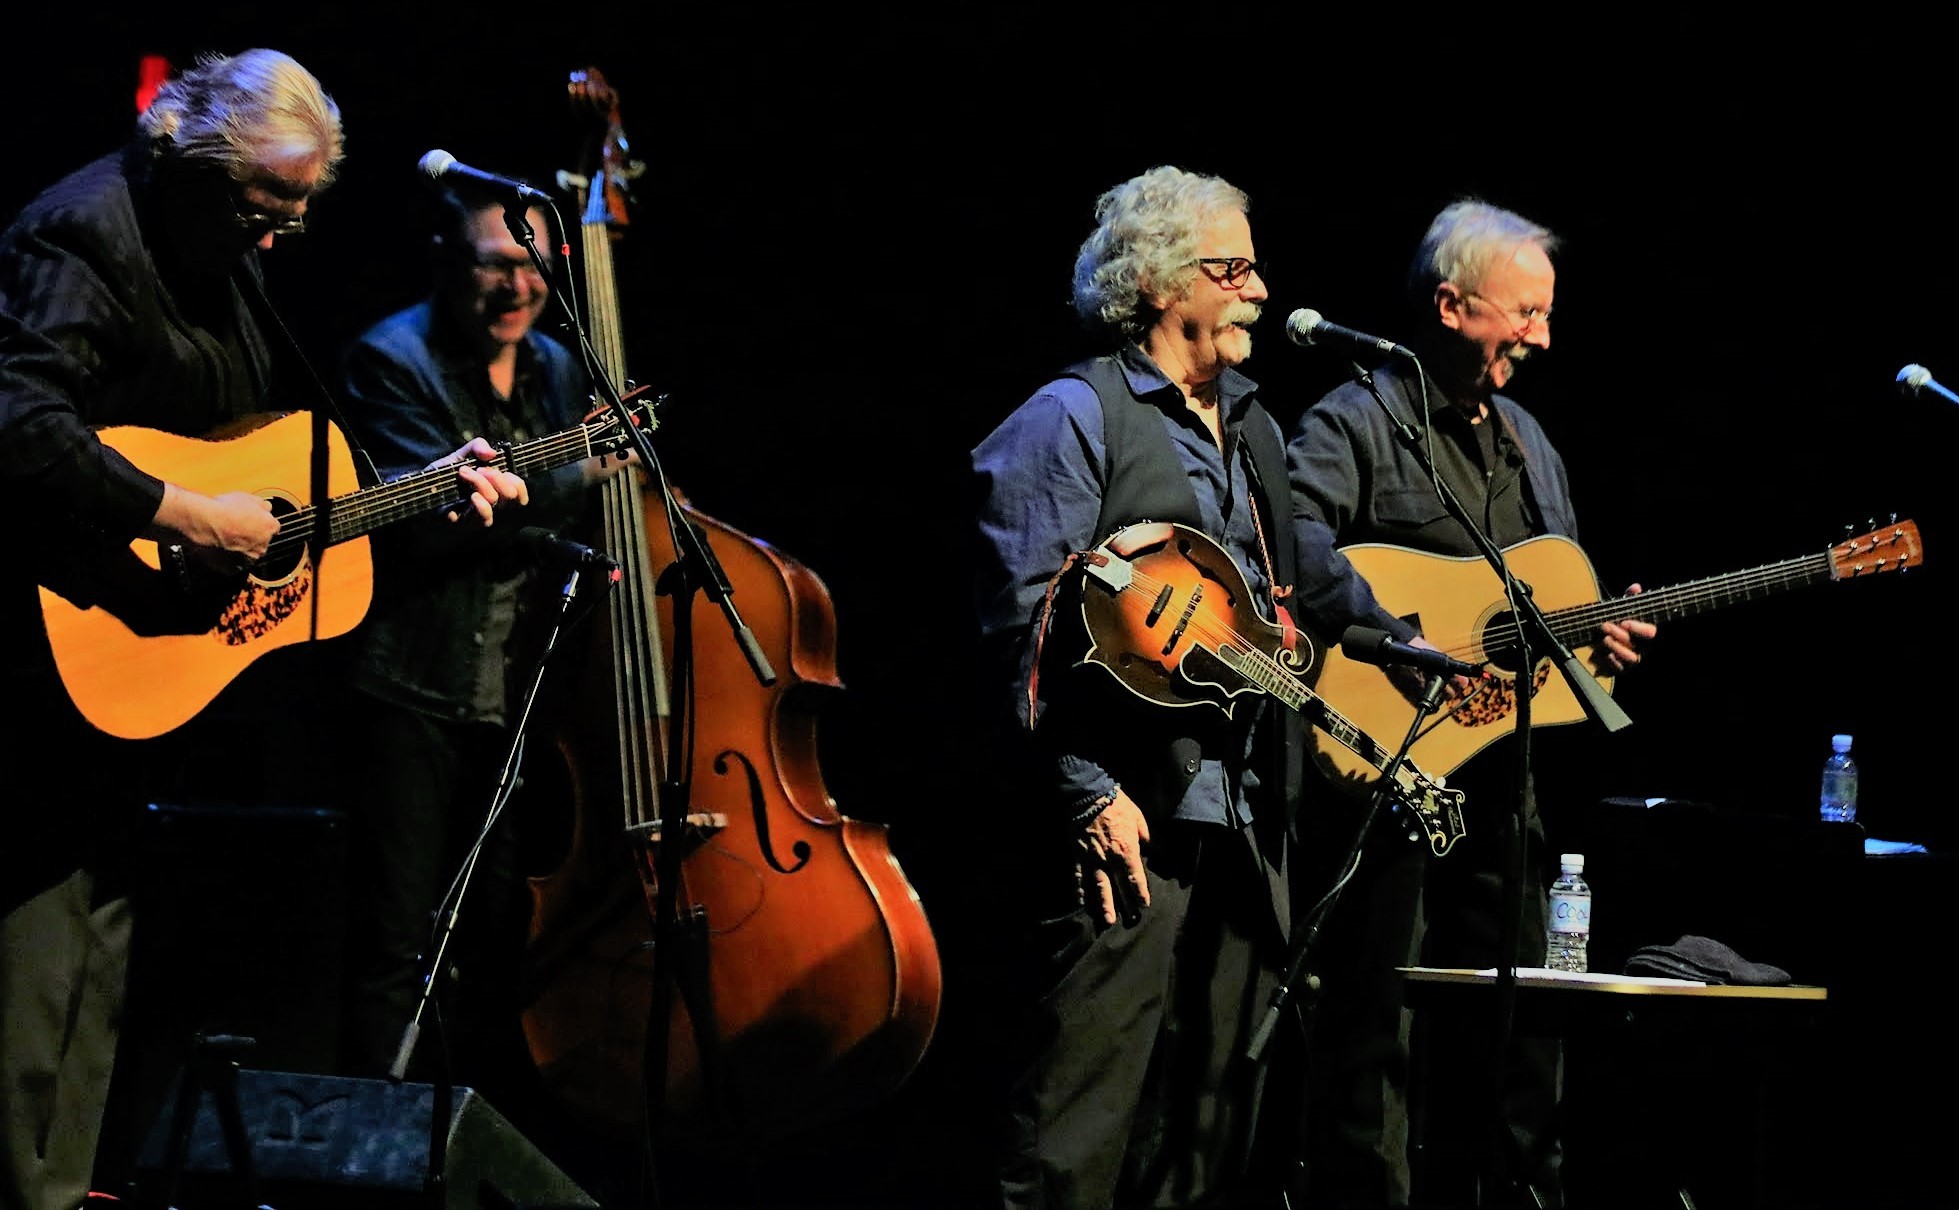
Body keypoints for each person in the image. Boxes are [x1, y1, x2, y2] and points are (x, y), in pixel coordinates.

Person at [0, 50, 527, 1210]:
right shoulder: (83, 231)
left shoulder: (215, 247)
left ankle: (69, 1181)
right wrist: (189, 512)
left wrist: (426, 486)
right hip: (54, 636)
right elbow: (21, 424)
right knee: (42, 942)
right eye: (265, 208)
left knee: (104, 931)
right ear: (187, 160)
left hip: (145, 662)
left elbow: (254, 453)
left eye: (298, 211)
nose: (282, 235)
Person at [1283, 199, 1655, 1207]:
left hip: (1508, 775)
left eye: (1545, 314)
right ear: (1451, 306)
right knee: (1375, 1020)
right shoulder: (1352, 419)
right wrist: (1389, 631)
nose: (1542, 337)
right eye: (1525, 314)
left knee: (1521, 1017)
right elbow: (1294, 545)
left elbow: (1546, 600)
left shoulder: (1529, 441)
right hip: (1388, 768)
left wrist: (1600, 633)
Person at [969, 164, 1305, 1210]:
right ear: (1163, 284)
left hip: (1244, 825)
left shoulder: (1252, 431)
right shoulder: (1070, 417)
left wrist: (1405, 645)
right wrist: (1082, 791)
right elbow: (1008, 642)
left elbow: (1304, 586)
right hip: (1127, 825)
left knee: (1199, 1141)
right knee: (1077, 1131)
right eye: (1232, 268)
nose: (1258, 289)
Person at [329, 175, 627, 1098]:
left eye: (531, 269)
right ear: (445, 264)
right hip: (408, 683)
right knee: (394, 940)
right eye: (494, 267)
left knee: (494, 933)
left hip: (515, 691)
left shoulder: (555, 368)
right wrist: (575, 477)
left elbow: (537, 519)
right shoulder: (392, 361)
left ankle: (460, 1143)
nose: (516, 289)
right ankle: (369, 1146)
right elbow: (435, 519)